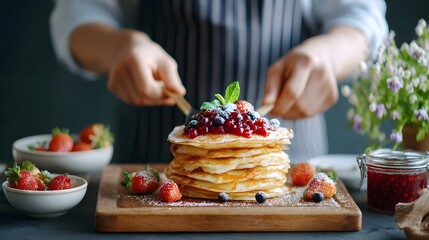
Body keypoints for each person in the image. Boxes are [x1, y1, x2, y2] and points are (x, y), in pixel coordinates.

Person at [50, 0, 388, 163]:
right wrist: (119, 48)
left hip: (286, 167)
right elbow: (77, 13)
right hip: (154, 167)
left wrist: (327, 55)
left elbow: (362, 17)